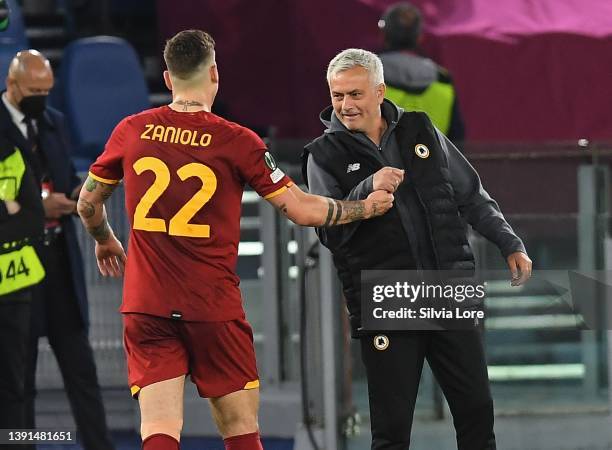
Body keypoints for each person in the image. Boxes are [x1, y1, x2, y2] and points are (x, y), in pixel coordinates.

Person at [77, 29, 393, 450]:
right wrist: (366, 208)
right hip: (212, 308)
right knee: (240, 430)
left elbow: (87, 204)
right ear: (214, 74)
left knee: (158, 428)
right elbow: (300, 209)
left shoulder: (132, 130)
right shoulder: (238, 141)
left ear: (168, 79)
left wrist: (104, 239)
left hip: (147, 304)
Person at [302, 48, 532, 450]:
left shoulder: (421, 129)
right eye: (337, 96)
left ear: (379, 91)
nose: (345, 106)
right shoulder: (322, 155)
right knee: (391, 432)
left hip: (447, 287)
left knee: (477, 414)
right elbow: (328, 232)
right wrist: (364, 190)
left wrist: (508, 241)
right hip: (386, 294)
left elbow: (471, 195)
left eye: (355, 94)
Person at [0, 50, 115, 450]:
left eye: (47, 91)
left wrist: (72, 197)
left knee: (81, 373)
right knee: (18, 381)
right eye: (34, 90)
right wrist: (36, 209)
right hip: (15, 266)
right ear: (12, 85)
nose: (41, 98)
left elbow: (65, 177)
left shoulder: (54, 123)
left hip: (60, 262)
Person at [0, 136, 45, 432]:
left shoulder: (10, 155)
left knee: (14, 390)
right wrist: (7, 208)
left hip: (13, 294)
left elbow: (32, 222)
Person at [378, 2, 466, 143]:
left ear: (384, 34)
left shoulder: (366, 76)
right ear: (420, 37)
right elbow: (457, 138)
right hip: (433, 162)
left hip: (379, 163)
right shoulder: (442, 80)